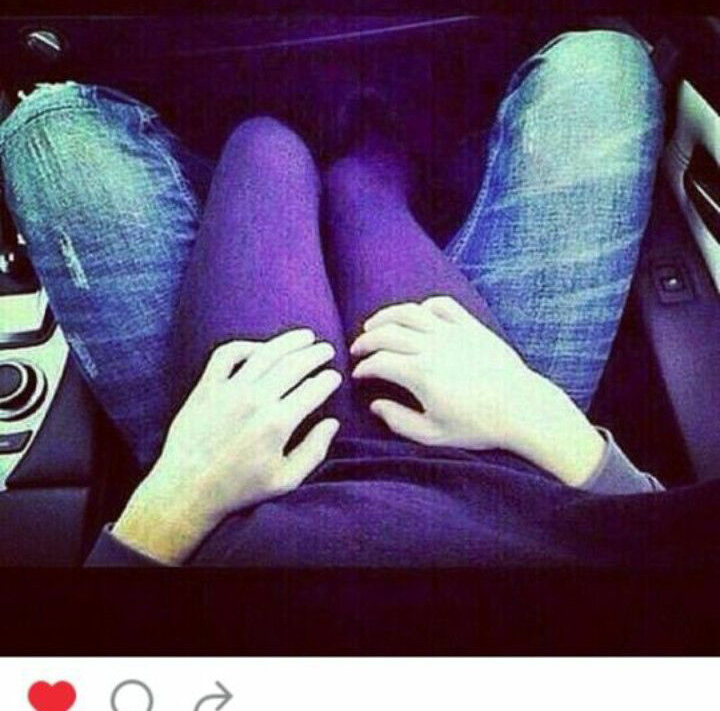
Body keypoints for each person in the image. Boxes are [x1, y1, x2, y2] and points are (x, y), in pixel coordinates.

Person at [3, 29, 715, 569]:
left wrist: (168, 505)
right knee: (603, 66)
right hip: (512, 463)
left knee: (64, 134)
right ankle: (367, 155)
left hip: (235, 494)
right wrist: (537, 415)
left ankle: (300, 148)